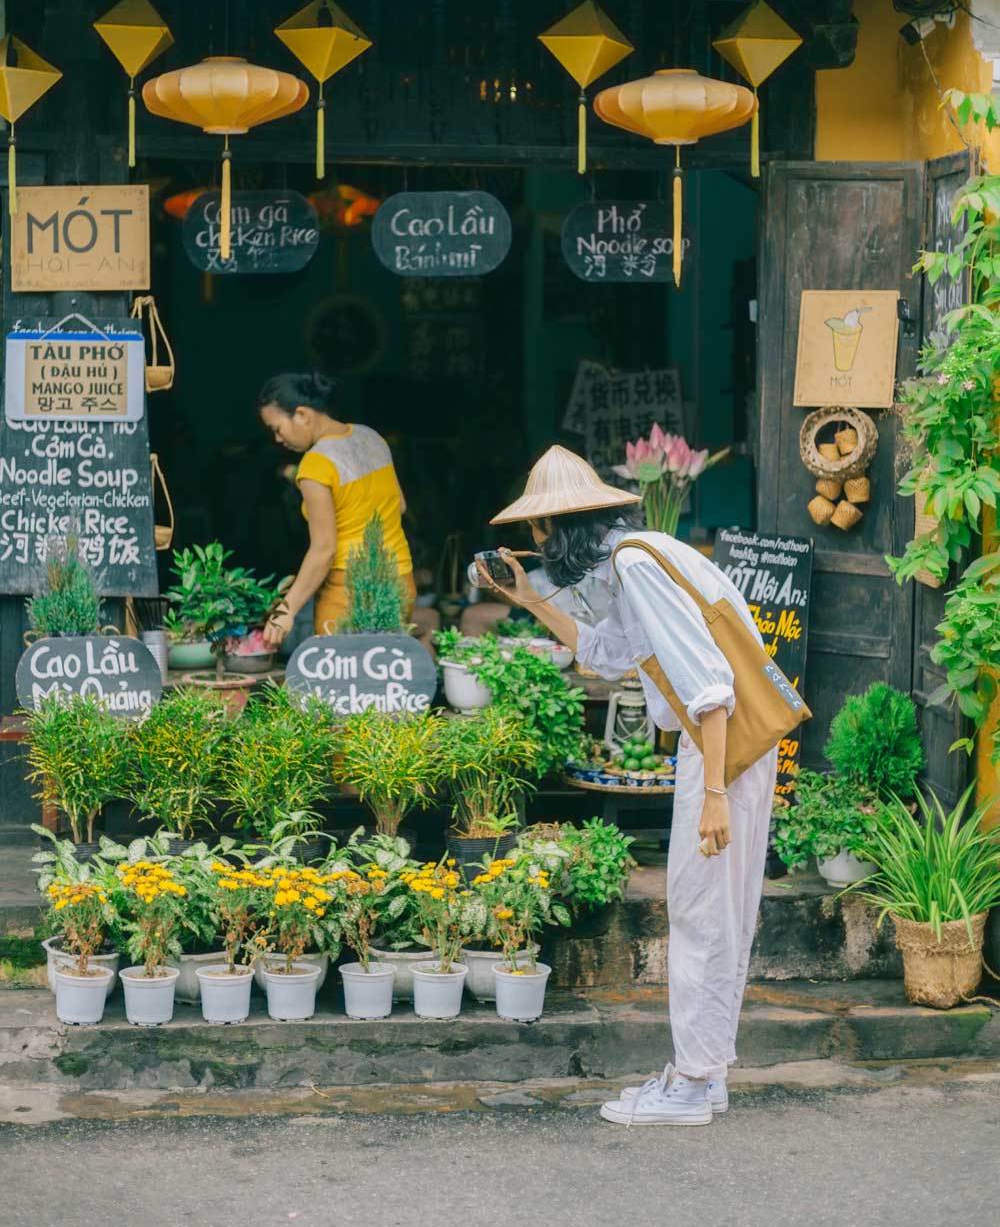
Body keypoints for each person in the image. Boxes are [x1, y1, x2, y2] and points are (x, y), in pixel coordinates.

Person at [479, 444, 778, 1128]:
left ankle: (694, 1084)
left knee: (701, 908)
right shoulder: (630, 562)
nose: (532, 543)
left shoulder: (636, 565)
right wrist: (525, 598)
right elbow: (605, 652)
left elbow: (708, 683)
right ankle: (706, 1071)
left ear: (553, 529)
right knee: (716, 911)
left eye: (535, 531)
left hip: (718, 742)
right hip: (720, 744)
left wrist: (710, 793)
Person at [257, 372, 414, 645]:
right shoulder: (371, 437)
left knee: (343, 683)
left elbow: (324, 549)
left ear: (303, 414)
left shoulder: (315, 465)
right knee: (388, 679)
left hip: (349, 592)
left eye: (277, 428)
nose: (278, 439)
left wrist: (287, 610)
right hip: (400, 581)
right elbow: (399, 506)